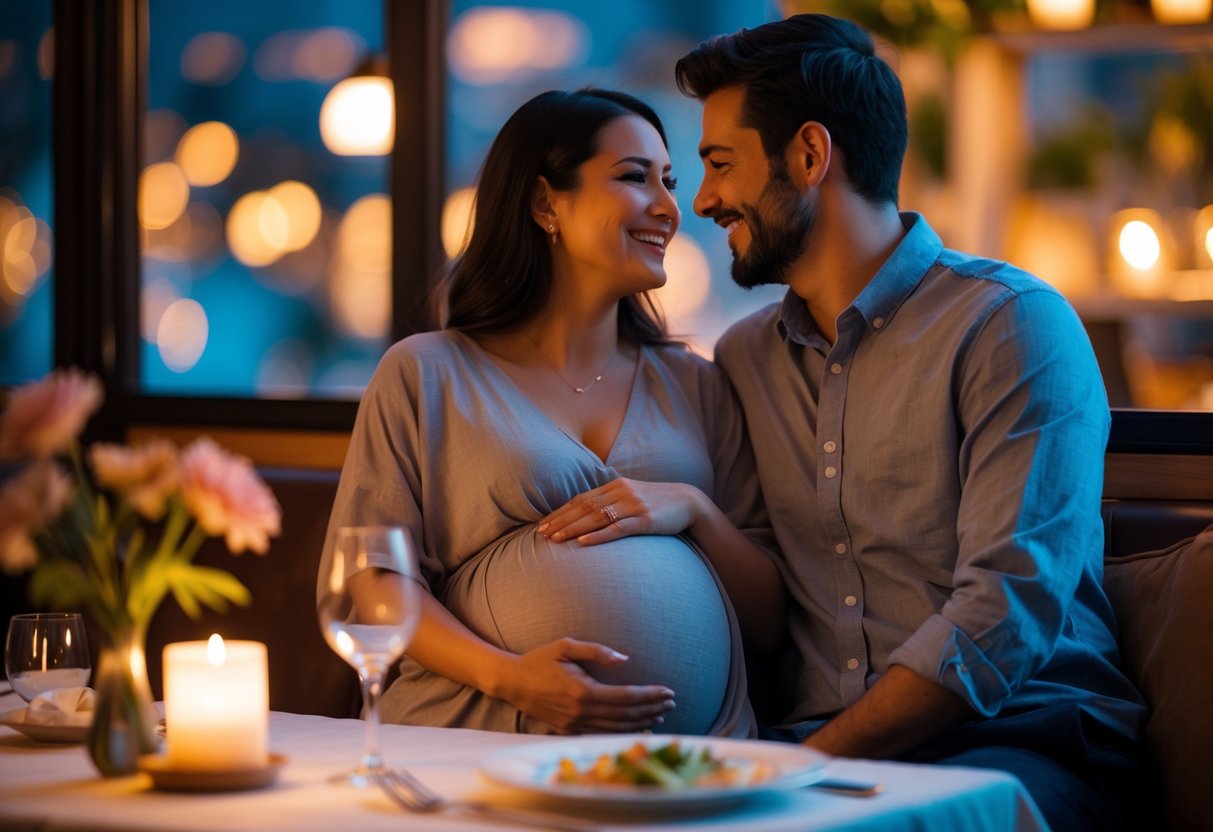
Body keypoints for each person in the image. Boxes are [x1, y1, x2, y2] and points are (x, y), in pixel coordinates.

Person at [672, 14, 1148, 830]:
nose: (705, 198)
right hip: (810, 754)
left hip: (1020, 745)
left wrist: (798, 768)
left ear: (810, 156)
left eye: (720, 164)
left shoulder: (1011, 325)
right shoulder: (745, 359)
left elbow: (1003, 613)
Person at [322, 88, 782, 738]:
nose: (668, 208)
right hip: (475, 734)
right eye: (632, 177)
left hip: (686, 773)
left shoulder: (697, 384)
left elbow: (768, 621)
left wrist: (692, 508)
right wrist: (513, 680)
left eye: (669, 182)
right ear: (545, 203)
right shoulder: (428, 372)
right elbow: (374, 581)